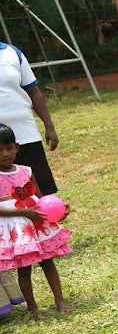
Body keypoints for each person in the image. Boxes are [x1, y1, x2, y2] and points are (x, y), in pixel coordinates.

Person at [0, 122, 70, 319]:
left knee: (48, 262)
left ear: (17, 147)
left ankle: (60, 300)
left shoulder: (26, 171)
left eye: (9, 148)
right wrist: (22, 214)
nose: (5, 154)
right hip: (17, 228)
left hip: (36, 222)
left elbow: (40, 198)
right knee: (25, 269)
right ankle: (33, 308)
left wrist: (58, 211)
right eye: (0, 150)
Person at [0, 40, 61, 196]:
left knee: (39, 189)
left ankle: (46, 219)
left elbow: (33, 91)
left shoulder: (13, 53)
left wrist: (49, 126)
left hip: (25, 133)